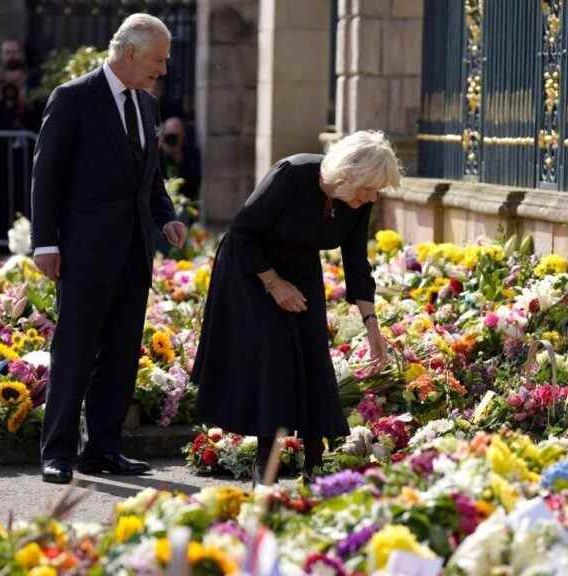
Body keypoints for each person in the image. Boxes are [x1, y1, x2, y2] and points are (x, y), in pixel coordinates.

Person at [31, 13, 188, 484]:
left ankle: (102, 450)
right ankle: (57, 452)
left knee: (120, 354)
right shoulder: (73, 98)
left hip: (134, 251)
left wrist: (167, 216)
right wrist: (45, 243)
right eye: (158, 60)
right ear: (131, 53)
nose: (162, 69)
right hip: (83, 252)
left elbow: (150, 177)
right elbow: (46, 175)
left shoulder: (146, 105)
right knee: (75, 352)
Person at [191, 131, 400, 483]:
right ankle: (265, 465)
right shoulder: (292, 174)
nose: (375, 197)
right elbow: (243, 231)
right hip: (251, 266)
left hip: (300, 269)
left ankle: (315, 463)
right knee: (274, 352)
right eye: (371, 188)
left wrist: (373, 330)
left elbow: (356, 264)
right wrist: (273, 283)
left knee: (312, 350)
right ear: (350, 176)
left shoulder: (358, 202)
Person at [158, 116, 201, 205]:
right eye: (169, 136)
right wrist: (162, 150)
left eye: (175, 136)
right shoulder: (158, 153)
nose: (172, 139)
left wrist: (178, 157)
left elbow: (194, 182)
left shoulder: (191, 153)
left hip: (184, 203)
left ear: (183, 135)